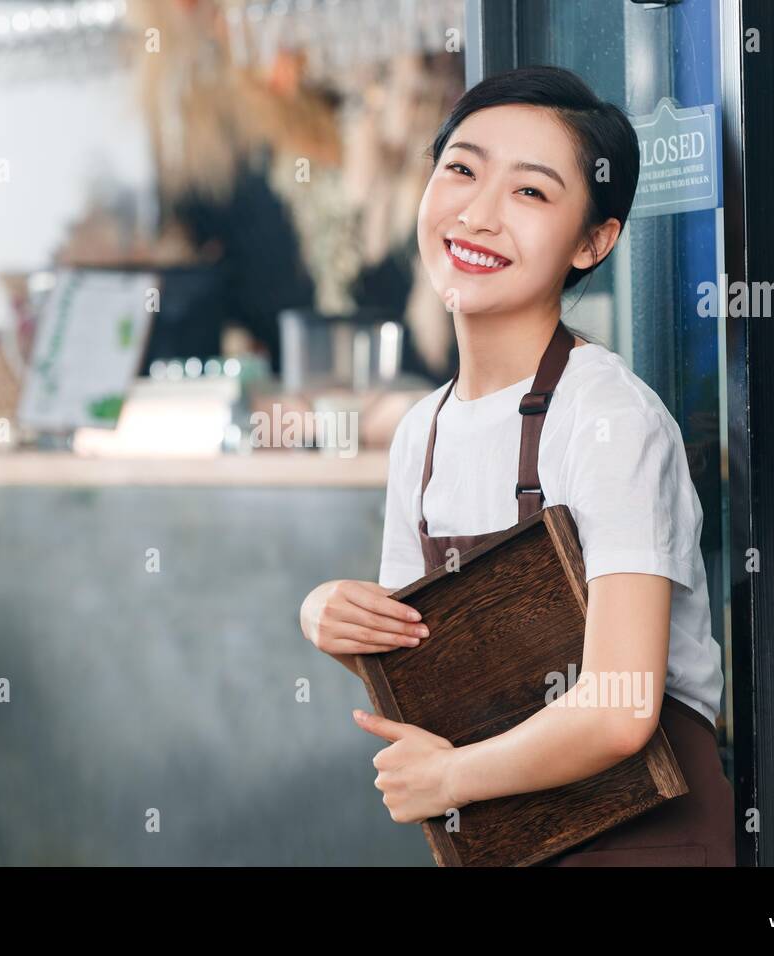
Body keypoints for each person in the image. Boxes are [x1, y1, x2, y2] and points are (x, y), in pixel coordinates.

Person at [298, 65, 734, 866]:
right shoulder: (421, 432)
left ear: (593, 241)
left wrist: (451, 778)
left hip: (642, 839)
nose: (478, 212)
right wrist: (332, 618)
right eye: (462, 169)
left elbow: (617, 709)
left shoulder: (607, 418)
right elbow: (428, 671)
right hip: (503, 839)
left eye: (530, 193)